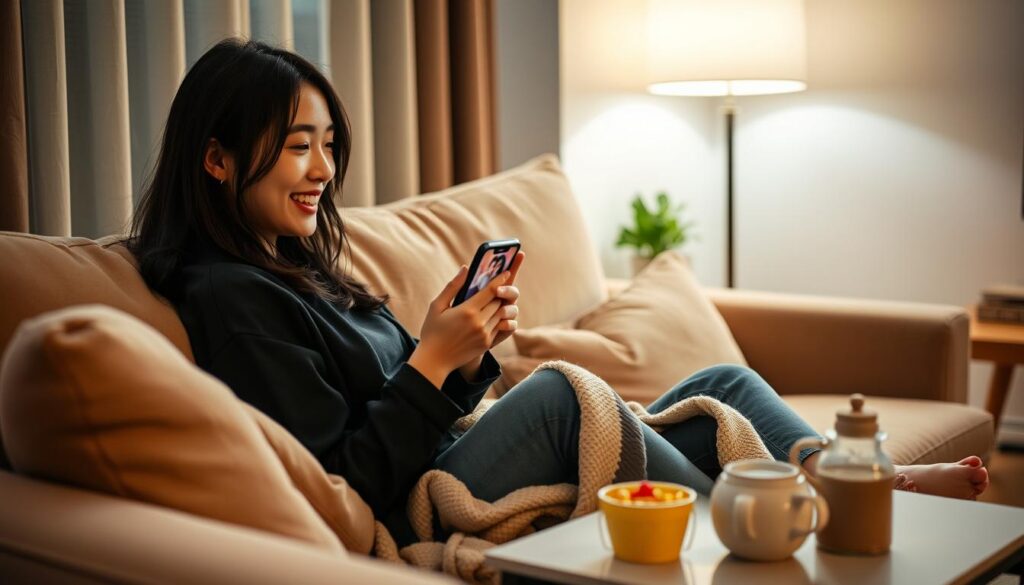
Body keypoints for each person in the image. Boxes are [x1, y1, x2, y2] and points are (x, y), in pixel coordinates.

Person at [128, 39, 988, 547]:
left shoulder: (299, 264)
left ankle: (862, 483)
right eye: (295, 148)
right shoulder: (232, 296)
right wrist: (433, 361)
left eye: (326, 145)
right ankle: (801, 522)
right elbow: (344, 478)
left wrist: (447, 344)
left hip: (445, 445)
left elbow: (415, 393)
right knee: (559, 394)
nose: (322, 170)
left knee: (719, 384)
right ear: (217, 158)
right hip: (412, 500)